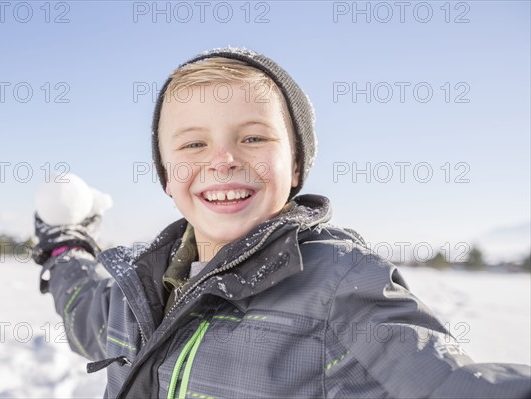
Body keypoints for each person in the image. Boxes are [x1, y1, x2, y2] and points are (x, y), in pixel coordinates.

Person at [32, 47, 531, 398]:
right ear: (167, 176)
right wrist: (65, 250)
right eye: (192, 144)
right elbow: (88, 314)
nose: (222, 159)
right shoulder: (141, 285)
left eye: (253, 138)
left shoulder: (342, 284)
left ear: (295, 166)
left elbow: (443, 383)